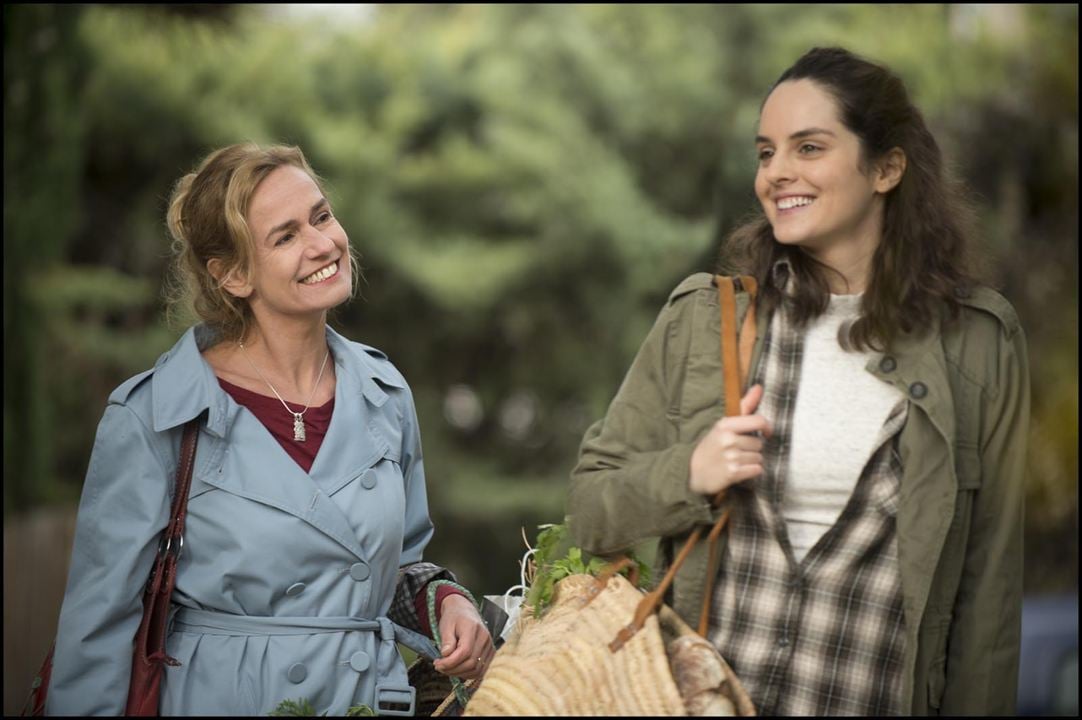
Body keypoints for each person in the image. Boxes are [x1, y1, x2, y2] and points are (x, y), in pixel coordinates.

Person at [568, 47, 1029, 716]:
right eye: (765, 153)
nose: (777, 173)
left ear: (888, 167)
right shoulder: (707, 320)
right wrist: (688, 473)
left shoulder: (980, 342)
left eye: (808, 148)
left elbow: (989, 594)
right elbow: (589, 506)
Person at [46, 143, 494, 715]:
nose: (322, 244)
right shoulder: (155, 415)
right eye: (285, 237)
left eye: (322, 216)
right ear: (232, 274)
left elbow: (396, 568)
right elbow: (96, 636)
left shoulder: (385, 393)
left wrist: (446, 601)